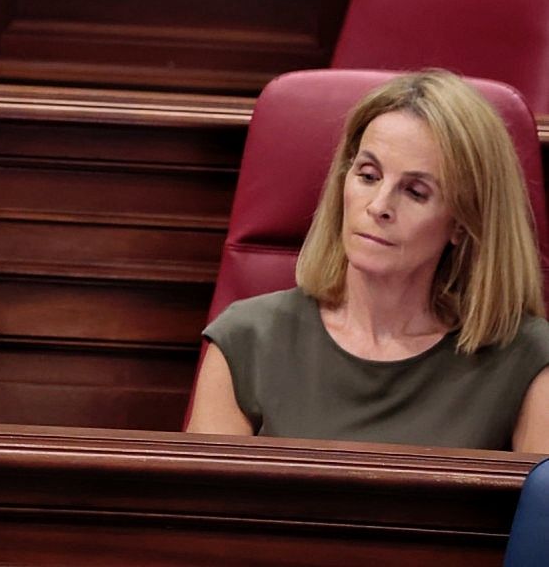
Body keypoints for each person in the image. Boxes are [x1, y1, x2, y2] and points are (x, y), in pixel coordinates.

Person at [187, 70, 549, 450]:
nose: (378, 206)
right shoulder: (247, 340)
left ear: (462, 223)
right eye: (368, 175)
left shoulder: (527, 360)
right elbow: (206, 507)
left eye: (415, 191)